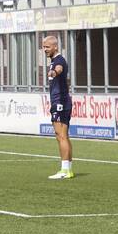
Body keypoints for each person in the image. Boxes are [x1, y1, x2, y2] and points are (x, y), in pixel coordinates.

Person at [41, 35, 73, 179]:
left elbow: (59, 69)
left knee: (61, 136)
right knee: (62, 136)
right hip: (62, 101)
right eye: (43, 47)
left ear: (55, 47)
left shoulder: (58, 61)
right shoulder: (55, 60)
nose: (45, 50)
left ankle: (64, 170)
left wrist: (54, 72)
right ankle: (68, 169)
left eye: (47, 47)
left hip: (60, 102)